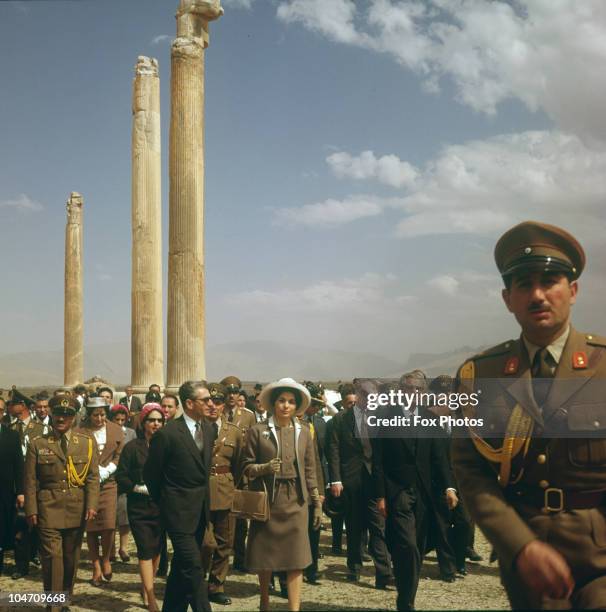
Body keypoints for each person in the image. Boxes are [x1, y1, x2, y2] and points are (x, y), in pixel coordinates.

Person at [452, 221, 606, 610]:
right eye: (523, 284)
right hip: (527, 555)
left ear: (573, 291)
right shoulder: (481, 374)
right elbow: (471, 472)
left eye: (550, 280)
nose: (537, 295)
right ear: (508, 298)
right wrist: (519, 547)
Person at [372, 371, 458, 610]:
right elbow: (378, 461)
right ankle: (406, 602)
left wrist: (449, 487)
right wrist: (380, 495)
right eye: (409, 388)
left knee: (416, 548)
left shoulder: (431, 420)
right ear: (401, 391)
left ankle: (406, 594)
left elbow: (440, 459)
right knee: (407, 545)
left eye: (418, 389)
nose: (414, 393)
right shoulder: (386, 419)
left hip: (423, 494)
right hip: (397, 492)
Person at [242, 377, 322, 612]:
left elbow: (310, 469)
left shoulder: (305, 432)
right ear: (273, 403)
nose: (286, 405)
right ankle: (265, 601)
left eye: (290, 402)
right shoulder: (258, 431)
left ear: (297, 407)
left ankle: (294, 608)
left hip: (296, 501)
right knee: (265, 558)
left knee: (296, 559)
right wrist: (264, 468)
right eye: (281, 401)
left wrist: (316, 502)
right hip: (268, 500)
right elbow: (246, 467)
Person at [144, 380, 215, 612]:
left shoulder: (208, 429)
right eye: (205, 400)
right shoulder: (167, 434)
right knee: (194, 568)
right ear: (189, 403)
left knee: (181, 568)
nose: (210, 404)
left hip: (199, 512)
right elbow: (151, 475)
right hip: (177, 513)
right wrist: (167, 503)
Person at [24, 395, 99, 612]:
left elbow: (93, 477)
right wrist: (31, 509)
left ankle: (65, 598)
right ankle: (53, 605)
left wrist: (92, 505)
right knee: (52, 558)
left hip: (77, 507)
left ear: (74, 417)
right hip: (48, 508)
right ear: (51, 415)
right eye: (57, 414)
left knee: (70, 558)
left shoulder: (86, 443)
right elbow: (29, 480)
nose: (61, 418)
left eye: (66, 415)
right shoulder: (38, 444)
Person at [328, 381, 392, 587]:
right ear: (357, 395)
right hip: (351, 480)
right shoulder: (340, 420)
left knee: (378, 527)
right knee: (354, 527)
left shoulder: (381, 419)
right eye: (365, 395)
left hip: (375, 481)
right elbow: (334, 451)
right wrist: (336, 479)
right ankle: (354, 567)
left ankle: (383, 573)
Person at [116, 403, 167, 612]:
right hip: (139, 508)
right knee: (145, 550)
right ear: (143, 423)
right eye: (151, 420)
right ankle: (151, 597)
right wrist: (136, 487)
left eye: (159, 420)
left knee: (156, 550)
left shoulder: (168, 445)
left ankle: (146, 587)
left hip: (162, 506)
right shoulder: (132, 448)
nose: (155, 424)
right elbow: (121, 475)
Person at [202, 383, 244, 606]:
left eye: (217, 402)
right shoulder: (195, 430)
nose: (213, 407)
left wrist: (232, 487)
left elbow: (238, 465)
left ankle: (216, 585)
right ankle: (197, 582)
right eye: (209, 402)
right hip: (200, 492)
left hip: (225, 489)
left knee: (224, 542)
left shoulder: (233, 432)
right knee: (204, 542)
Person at [79, 395, 124, 585]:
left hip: (109, 484)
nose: (99, 419)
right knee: (91, 528)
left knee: (108, 525)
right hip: (87, 486)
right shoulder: (80, 431)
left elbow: (120, 454)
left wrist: (110, 469)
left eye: (102, 414)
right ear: (89, 415)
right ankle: (95, 564)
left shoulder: (115, 429)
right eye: (95, 415)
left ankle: (106, 558)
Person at [220, 375, 255, 572]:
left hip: (241, 474)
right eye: (229, 392)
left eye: (235, 392)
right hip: (223, 473)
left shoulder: (248, 416)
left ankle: (240, 559)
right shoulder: (217, 413)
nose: (232, 396)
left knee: (242, 520)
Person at [109, 404, 137, 563]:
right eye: (116, 419)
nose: (119, 422)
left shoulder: (131, 433)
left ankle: (123, 548)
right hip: (111, 477)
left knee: (124, 515)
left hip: (125, 478)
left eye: (122, 419)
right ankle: (111, 549)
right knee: (110, 517)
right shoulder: (107, 433)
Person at [0, 414, 24, 577]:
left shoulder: (12, 436)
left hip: (7, 492)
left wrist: (21, 492)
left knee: (15, 529)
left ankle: (21, 566)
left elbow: (19, 466)